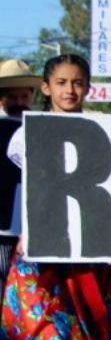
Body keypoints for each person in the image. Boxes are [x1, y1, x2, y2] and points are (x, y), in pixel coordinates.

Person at [0, 54, 111, 340]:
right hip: (41, 236)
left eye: (77, 83)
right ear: (46, 88)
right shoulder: (27, 135)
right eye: (61, 83)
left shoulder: (101, 132)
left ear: (88, 87)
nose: (70, 90)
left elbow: (105, 189)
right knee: (30, 315)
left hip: (89, 240)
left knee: (85, 317)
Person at [0, 59, 36, 276]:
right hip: (3, 227)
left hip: (32, 227)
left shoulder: (44, 127)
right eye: (12, 97)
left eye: (24, 96)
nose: (19, 102)